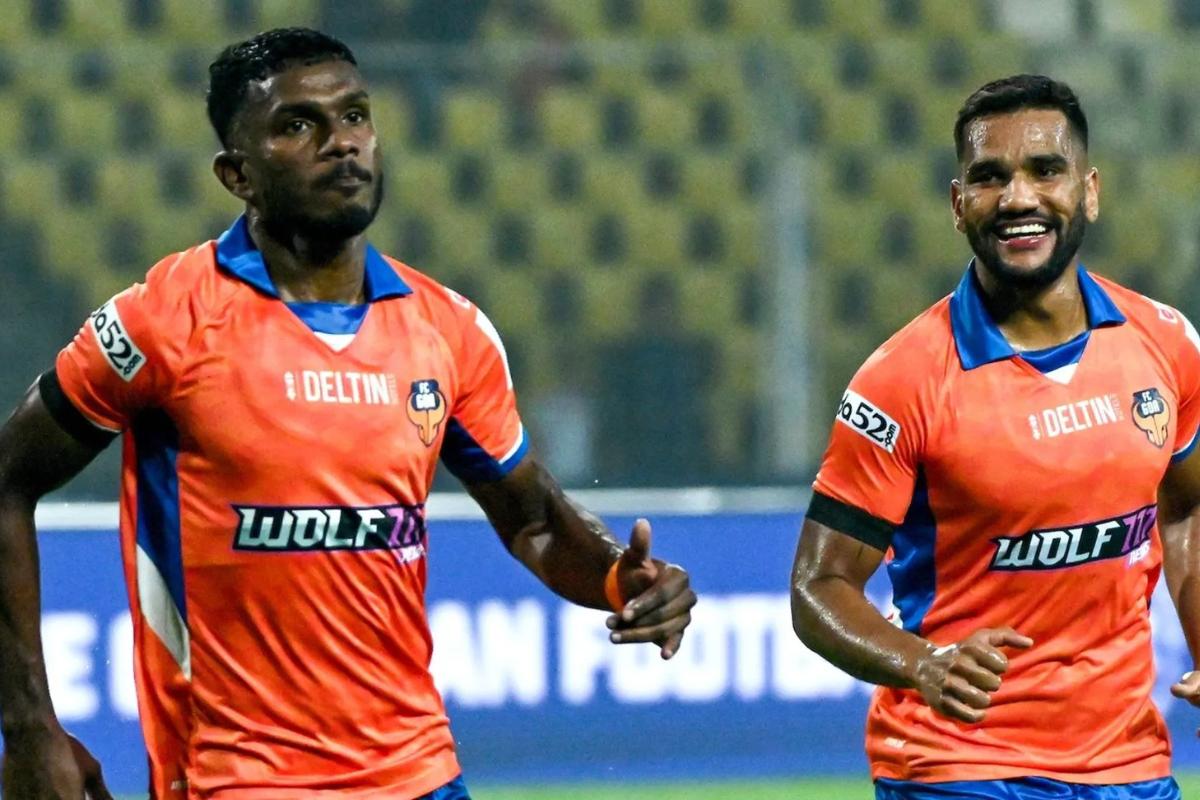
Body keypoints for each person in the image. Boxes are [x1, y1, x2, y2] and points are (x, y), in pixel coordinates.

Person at [0, 28, 696, 800]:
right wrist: (32, 730)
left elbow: (532, 519)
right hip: (231, 780)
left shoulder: (448, 330)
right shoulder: (165, 321)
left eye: (356, 116)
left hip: (422, 775)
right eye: (299, 126)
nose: (342, 144)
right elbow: (6, 481)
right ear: (238, 175)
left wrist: (616, 578)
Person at [791, 74, 1200, 800]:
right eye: (990, 177)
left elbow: (1187, 507)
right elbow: (818, 587)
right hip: (958, 766)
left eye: (1046, 170)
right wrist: (922, 664)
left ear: (1090, 191)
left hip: (1130, 766)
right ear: (958, 206)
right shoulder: (903, 379)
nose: (1018, 198)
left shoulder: (1166, 343)